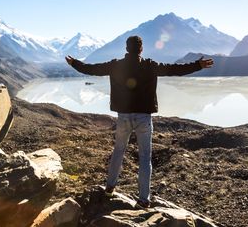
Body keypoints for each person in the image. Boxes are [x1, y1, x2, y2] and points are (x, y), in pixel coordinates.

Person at [65, 35, 213, 208]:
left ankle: (110, 188)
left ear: (127, 49)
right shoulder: (150, 65)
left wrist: (74, 63)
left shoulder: (116, 65)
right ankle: (143, 199)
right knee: (144, 158)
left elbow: (92, 69)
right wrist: (198, 65)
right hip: (144, 117)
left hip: (123, 116)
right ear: (141, 49)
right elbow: (175, 69)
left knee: (118, 151)